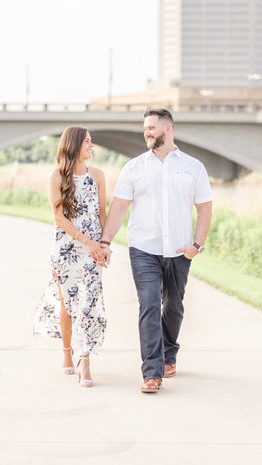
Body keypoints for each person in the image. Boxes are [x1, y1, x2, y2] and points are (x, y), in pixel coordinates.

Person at [100, 108, 212, 393]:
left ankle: (169, 353)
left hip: (179, 250)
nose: (146, 132)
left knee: (173, 306)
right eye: (145, 128)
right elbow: (119, 208)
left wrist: (196, 245)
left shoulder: (193, 167)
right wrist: (105, 242)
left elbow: (204, 207)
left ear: (168, 129)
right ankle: (152, 372)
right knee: (149, 304)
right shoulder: (134, 167)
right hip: (143, 249)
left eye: (151, 127)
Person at [33, 126, 108, 388]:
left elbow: (102, 215)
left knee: (88, 303)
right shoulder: (56, 177)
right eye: (87, 142)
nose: (92, 146)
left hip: (93, 252)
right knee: (67, 305)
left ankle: (84, 361)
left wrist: (104, 244)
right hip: (66, 250)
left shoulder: (97, 175)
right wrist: (87, 241)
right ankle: (67, 352)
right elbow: (59, 218)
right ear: (75, 146)